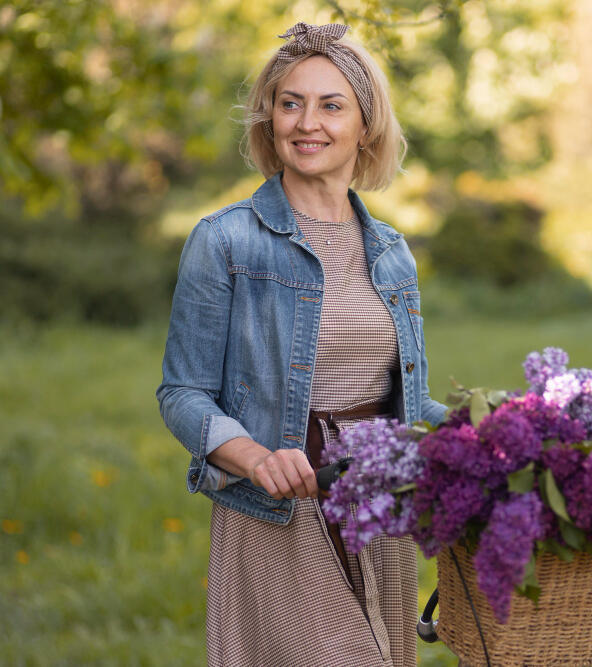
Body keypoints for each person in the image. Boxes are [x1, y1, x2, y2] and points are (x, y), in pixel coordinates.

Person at [156, 22, 446, 667]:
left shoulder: (393, 253)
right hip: (283, 508)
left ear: (365, 126)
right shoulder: (225, 241)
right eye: (290, 103)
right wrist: (257, 459)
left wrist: (508, 437)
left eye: (330, 105)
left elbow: (411, 402)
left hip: (381, 504)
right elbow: (182, 392)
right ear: (269, 119)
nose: (306, 122)